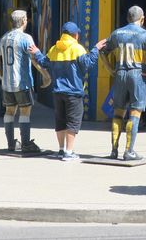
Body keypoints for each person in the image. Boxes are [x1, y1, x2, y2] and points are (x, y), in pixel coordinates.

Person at [31, 22, 104, 161]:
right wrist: (96, 49)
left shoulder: (54, 49)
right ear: (75, 35)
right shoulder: (78, 49)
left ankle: (61, 150)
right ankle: (69, 153)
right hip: (74, 93)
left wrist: (37, 52)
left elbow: (44, 62)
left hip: (58, 93)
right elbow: (88, 64)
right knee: (73, 122)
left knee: (60, 121)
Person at [101, 6, 146, 161]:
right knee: (134, 113)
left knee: (118, 112)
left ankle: (114, 150)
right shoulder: (145, 34)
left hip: (120, 73)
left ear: (127, 18)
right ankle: (129, 151)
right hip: (138, 74)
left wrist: (110, 69)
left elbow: (102, 51)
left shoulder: (116, 33)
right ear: (142, 19)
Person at [0, 10, 42, 154]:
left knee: (9, 111)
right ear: (24, 20)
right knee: (25, 112)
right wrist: (45, 74)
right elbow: (34, 58)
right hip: (23, 83)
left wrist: (1, 74)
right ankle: (26, 143)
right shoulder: (26, 38)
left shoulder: (4, 37)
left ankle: (11, 144)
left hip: (7, 83)